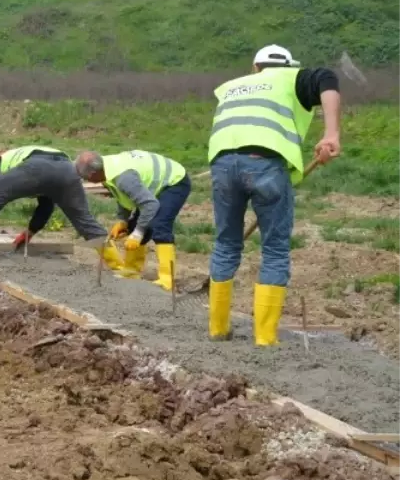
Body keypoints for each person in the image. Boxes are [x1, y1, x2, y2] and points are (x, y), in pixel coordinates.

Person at [206, 44, 342, 347]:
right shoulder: (290, 77)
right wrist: (331, 134)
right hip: (265, 164)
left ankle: (218, 329)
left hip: (223, 165)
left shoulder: (232, 86)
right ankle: (265, 338)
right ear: (288, 66)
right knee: (275, 251)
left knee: (226, 245)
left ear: (256, 67)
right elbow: (327, 79)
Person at [0, 144, 113, 264]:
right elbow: (47, 205)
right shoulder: (45, 155)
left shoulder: (2, 161)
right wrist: (29, 233)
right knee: (84, 220)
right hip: (68, 170)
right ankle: (117, 264)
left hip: (37, 167)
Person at [74, 149, 191, 290]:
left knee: (160, 226)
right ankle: (131, 271)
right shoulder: (106, 169)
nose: (87, 181)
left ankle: (167, 279)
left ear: (93, 174)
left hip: (173, 181)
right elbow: (123, 196)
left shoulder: (124, 178)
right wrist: (122, 220)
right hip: (152, 189)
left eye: (86, 178)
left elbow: (150, 205)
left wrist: (138, 234)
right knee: (135, 224)